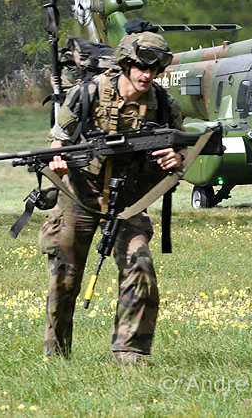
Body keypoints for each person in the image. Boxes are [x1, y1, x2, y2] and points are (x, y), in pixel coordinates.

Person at [39, 31, 185, 364]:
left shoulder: (164, 105)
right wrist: (57, 160)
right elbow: (56, 141)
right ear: (126, 64)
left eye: (154, 70)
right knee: (64, 276)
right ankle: (56, 353)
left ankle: (130, 351)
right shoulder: (87, 94)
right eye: (140, 67)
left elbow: (181, 149)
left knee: (141, 265)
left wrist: (176, 158)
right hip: (80, 196)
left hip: (127, 202)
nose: (147, 75)